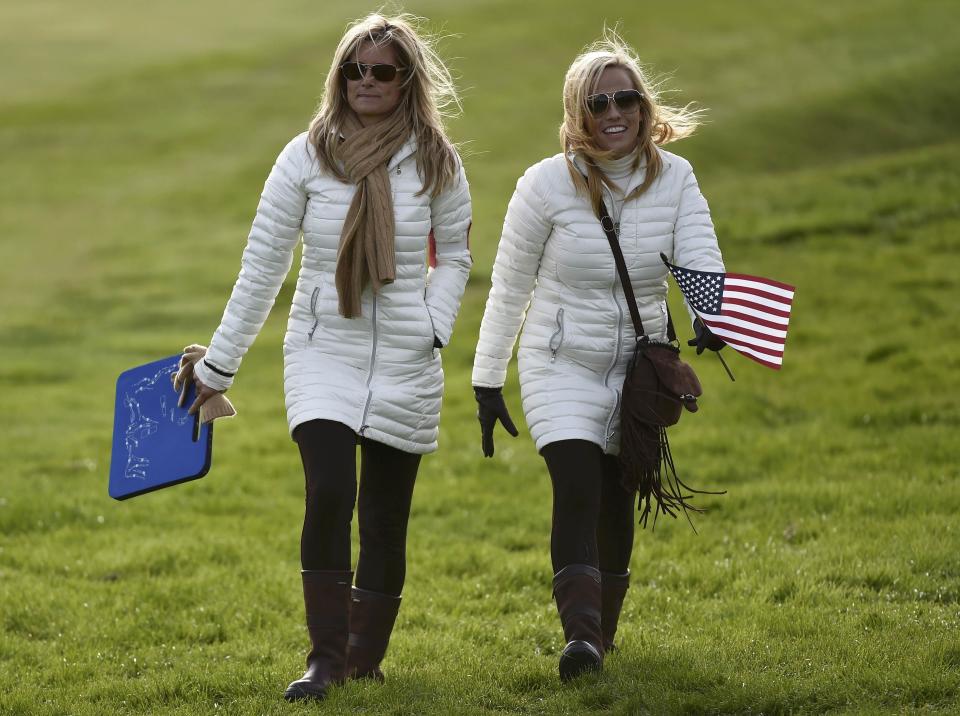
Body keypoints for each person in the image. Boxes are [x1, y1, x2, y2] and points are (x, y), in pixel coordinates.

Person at [185, 13, 472, 701]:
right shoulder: (305, 157)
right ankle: (325, 658)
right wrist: (218, 367)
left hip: (407, 357)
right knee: (330, 493)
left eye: (382, 71)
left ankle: (363, 660)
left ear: (406, 81)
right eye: (354, 68)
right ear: (338, 76)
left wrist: (434, 325)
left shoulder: (436, 160)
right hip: (322, 350)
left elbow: (456, 253)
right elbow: (262, 267)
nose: (366, 81)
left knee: (384, 516)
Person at [471, 32, 725, 682]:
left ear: (644, 106)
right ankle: (580, 641)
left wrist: (709, 317)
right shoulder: (544, 185)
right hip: (559, 360)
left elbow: (698, 255)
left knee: (616, 497)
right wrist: (486, 380)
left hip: (637, 369)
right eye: (597, 103)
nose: (613, 113)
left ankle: (601, 638)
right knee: (577, 484)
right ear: (576, 113)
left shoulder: (675, 179)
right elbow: (510, 286)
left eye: (626, 99)